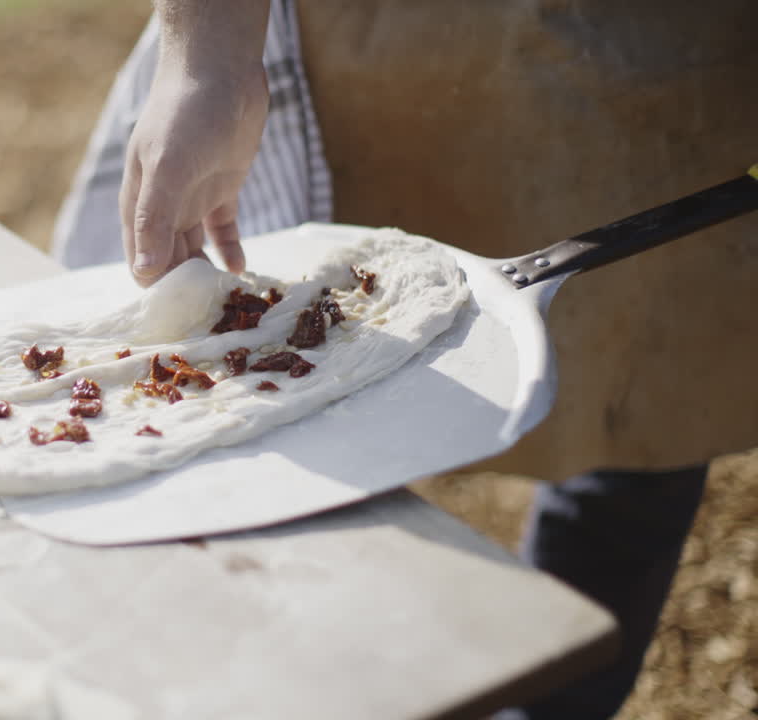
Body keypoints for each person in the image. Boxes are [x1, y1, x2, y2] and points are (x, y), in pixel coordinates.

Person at [54, 1, 758, 717]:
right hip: (393, 54)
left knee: (635, 434)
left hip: (682, 69)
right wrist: (204, 60)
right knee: (306, 449)